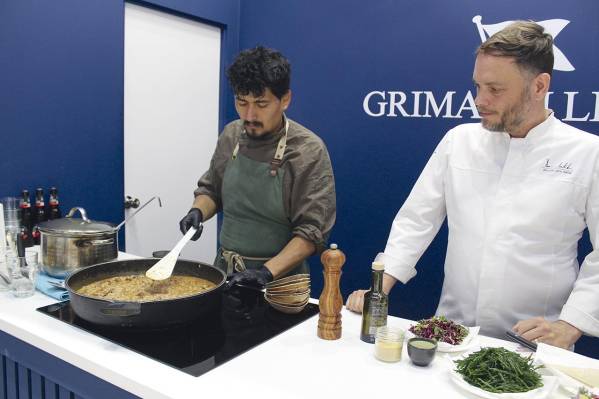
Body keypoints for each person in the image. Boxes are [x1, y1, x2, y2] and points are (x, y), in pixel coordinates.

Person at [346, 21, 599, 349]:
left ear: (539, 86)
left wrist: (569, 326)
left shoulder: (587, 153)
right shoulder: (459, 141)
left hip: (536, 343)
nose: (480, 100)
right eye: (478, 86)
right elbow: (416, 220)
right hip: (453, 333)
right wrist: (380, 288)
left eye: (495, 89)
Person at [180, 46, 336, 289]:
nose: (249, 114)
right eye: (242, 102)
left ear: (285, 99)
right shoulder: (232, 134)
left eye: (261, 104)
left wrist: (264, 273)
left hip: (280, 284)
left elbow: (311, 233)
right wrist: (198, 211)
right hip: (226, 272)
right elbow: (212, 189)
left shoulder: (308, 150)